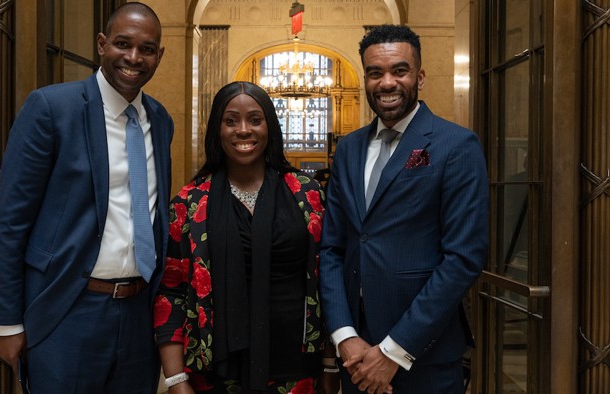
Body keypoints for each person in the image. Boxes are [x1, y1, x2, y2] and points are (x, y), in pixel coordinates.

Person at [0, 3, 172, 392]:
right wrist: (6, 322)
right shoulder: (52, 108)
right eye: (123, 44)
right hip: (67, 311)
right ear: (102, 44)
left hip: (138, 315)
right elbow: (10, 222)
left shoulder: (161, 120)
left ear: (159, 56)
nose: (134, 58)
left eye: (147, 49)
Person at [318, 25, 488, 394]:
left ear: (420, 77)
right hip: (357, 355)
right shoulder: (348, 149)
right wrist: (344, 335)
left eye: (400, 70)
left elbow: (463, 258)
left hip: (423, 355)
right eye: (375, 73)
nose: (387, 83)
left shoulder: (456, 145)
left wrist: (394, 350)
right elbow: (333, 248)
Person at [154, 81, 339, 394]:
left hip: (296, 370)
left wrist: (330, 362)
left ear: (270, 127)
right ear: (217, 129)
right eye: (230, 121)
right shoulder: (189, 203)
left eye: (255, 119)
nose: (243, 130)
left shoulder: (307, 194)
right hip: (214, 373)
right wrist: (175, 379)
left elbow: (328, 281)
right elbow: (171, 292)